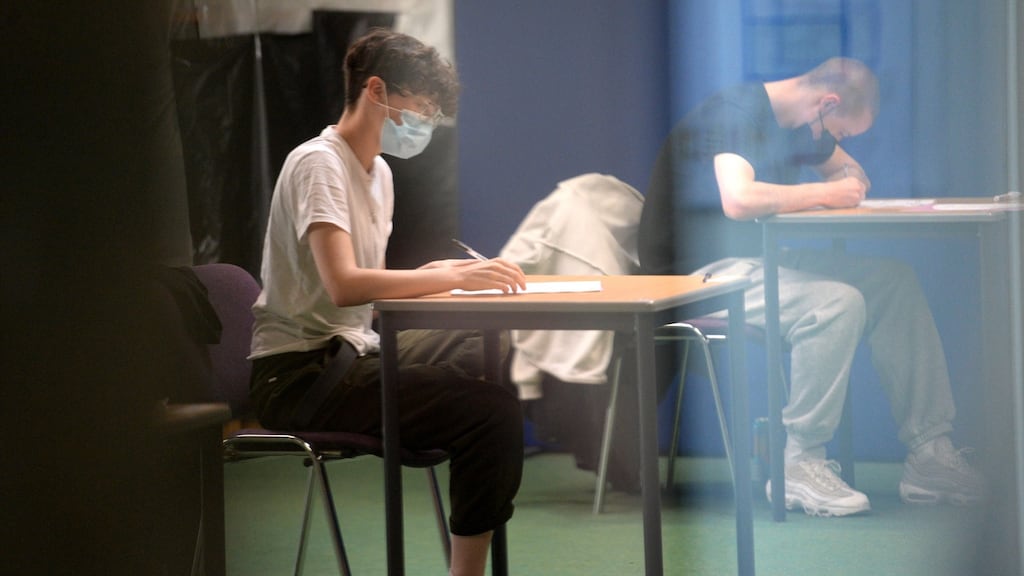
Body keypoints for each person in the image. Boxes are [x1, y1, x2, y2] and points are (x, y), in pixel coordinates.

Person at [638, 57, 985, 517]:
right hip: (696, 273)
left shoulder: (803, 125)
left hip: (759, 257)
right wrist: (825, 193)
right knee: (837, 303)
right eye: (841, 132)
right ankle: (799, 463)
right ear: (828, 104)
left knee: (893, 283)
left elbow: (852, 176)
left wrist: (844, 181)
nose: (837, 142)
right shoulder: (735, 113)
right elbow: (738, 199)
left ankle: (930, 454)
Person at [248, 29, 527, 575]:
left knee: (483, 347)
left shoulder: (379, 173)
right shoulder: (319, 164)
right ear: (376, 90)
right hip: (300, 375)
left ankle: (447, 415)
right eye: (421, 107)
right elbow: (345, 286)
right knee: (492, 412)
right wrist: (453, 278)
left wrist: (436, 274)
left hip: (353, 349)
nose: (425, 122)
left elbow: (364, 289)